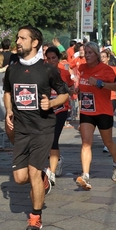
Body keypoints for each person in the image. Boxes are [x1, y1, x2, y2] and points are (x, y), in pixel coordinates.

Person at [3, 25, 69, 230]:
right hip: (21, 128)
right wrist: (8, 111)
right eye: (17, 37)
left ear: (34, 43)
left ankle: (35, 216)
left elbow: (64, 94)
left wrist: (52, 103)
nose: (18, 41)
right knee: (20, 178)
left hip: (43, 127)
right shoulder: (12, 69)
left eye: (23, 38)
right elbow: (7, 92)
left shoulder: (48, 69)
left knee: (33, 171)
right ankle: (44, 180)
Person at [75, 42, 116, 190]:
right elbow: (80, 87)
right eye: (85, 52)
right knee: (86, 142)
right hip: (87, 111)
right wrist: (76, 89)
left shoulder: (106, 70)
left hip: (103, 111)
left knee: (108, 142)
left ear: (96, 55)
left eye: (90, 53)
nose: (87, 55)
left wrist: (101, 84)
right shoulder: (81, 68)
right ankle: (85, 175)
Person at [44, 46, 74, 186]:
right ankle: (57, 160)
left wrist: (71, 90)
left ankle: (51, 172)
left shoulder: (64, 73)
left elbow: (72, 87)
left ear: (58, 58)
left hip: (61, 109)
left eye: (53, 58)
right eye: (48, 58)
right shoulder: (41, 73)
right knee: (46, 139)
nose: (51, 61)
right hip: (45, 110)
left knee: (53, 138)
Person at [100, 49, 116, 153]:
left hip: (111, 97)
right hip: (100, 98)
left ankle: (108, 142)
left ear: (108, 58)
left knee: (108, 120)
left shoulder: (113, 69)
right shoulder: (96, 69)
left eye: (104, 57)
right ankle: (106, 141)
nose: (102, 59)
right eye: (100, 57)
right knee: (101, 121)